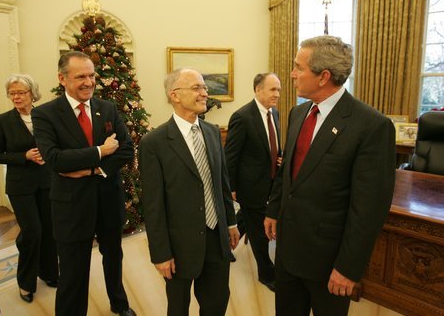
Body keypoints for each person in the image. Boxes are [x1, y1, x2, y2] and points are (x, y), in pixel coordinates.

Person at [264, 35, 396, 316]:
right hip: (288, 253)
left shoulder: (371, 126)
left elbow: (369, 210)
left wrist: (348, 269)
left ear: (323, 76)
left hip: (329, 262)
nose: (292, 73)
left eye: (298, 67)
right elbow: (288, 172)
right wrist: (273, 210)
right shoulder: (298, 113)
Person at [31, 51, 136, 316]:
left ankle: (119, 305)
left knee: (114, 259)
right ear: (62, 78)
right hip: (71, 206)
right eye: (80, 77)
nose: (89, 82)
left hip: (108, 200)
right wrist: (101, 151)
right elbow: (54, 159)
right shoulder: (45, 114)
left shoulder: (107, 108)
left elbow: (126, 149)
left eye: (91, 75)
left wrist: (93, 169)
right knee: (73, 271)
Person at [139, 68, 240, 316]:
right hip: (179, 245)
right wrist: (161, 253)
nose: (205, 93)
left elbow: (222, 183)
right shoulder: (154, 142)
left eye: (204, 87)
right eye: (197, 88)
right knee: (178, 308)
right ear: (175, 95)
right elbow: (153, 204)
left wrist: (231, 223)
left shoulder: (213, 132)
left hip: (217, 239)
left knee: (216, 303)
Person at [0, 74, 58, 303]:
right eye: (13, 93)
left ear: (32, 94)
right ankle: (26, 283)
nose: (16, 97)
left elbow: (57, 143)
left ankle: (48, 273)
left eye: (21, 92)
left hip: (47, 181)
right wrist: (24, 156)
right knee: (32, 232)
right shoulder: (2, 121)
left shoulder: (45, 116)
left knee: (48, 230)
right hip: (20, 186)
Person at [224, 72, 282, 292]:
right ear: (258, 90)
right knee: (259, 232)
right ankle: (267, 275)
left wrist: (280, 157)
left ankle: (223, 245)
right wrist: (232, 187)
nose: (277, 94)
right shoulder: (242, 116)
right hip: (250, 186)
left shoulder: (274, 114)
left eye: (278, 89)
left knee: (247, 218)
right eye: (272, 89)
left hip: (271, 182)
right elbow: (231, 156)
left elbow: (271, 145)